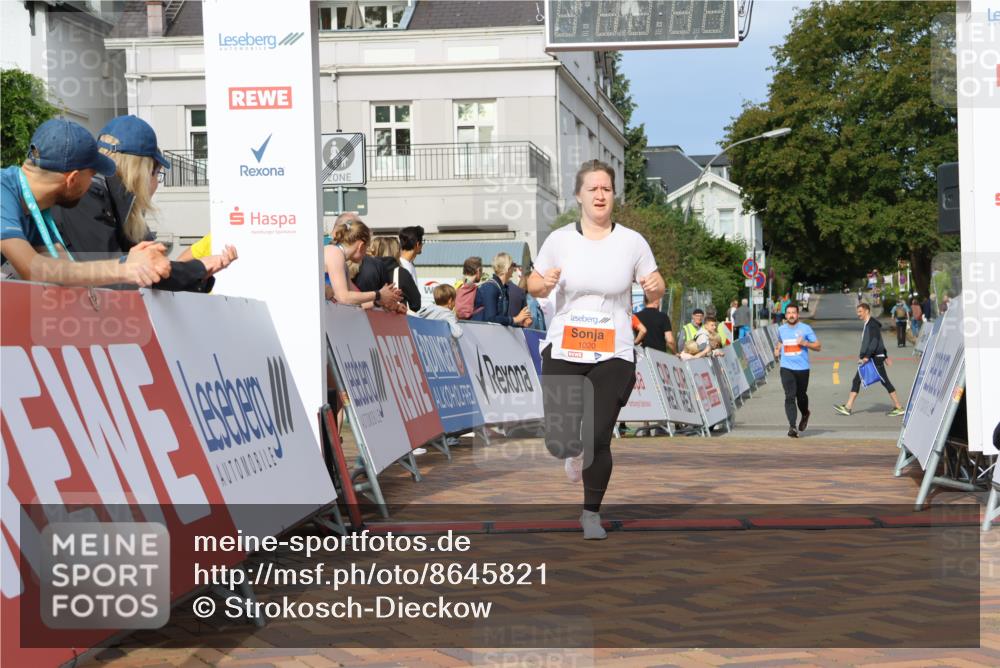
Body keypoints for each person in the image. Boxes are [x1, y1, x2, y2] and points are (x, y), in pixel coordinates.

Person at [527, 159, 665, 540]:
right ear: (579, 196)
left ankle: (591, 513)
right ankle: (571, 451)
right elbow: (534, 283)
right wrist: (542, 283)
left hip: (614, 351)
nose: (600, 195)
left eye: (606, 188)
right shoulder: (560, 240)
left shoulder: (632, 241)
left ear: (613, 195)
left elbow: (656, 286)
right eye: (593, 189)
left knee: (598, 436)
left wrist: (654, 287)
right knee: (561, 439)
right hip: (565, 345)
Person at [51, 115, 236, 292]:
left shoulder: (116, 206)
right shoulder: (86, 197)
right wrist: (198, 269)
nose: (156, 183)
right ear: (142, 170)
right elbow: (117, 278)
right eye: (157, 174)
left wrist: (199, 274)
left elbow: (152, 271)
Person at [1, 118, 170, 287]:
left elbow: (65, 269)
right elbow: (32, 269)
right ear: (72, 179)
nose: (94, 182)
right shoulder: (3, 192)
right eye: (92, 175)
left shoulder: (36, 210)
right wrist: (124, 269)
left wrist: (131, 263)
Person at [834, 303, 905, 417]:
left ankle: (899, 407)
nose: (858, 314)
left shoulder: (872, 325)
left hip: (874, 358)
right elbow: (879, 341)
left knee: (885, 381)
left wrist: (867, 356)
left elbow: (875, 342)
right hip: (873, 357)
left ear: (867, 311)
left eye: (860, 311)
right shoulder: (869, 324)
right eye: (858, 312)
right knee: (856, 380)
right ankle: (848, 407)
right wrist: (885, 356)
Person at [323, 215, 402, 309]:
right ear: (361, 246)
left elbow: (357, 302)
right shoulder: (335, 253)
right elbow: (343, 297)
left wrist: (381, 301)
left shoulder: (341, 261)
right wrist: (378, 294)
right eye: (367, 247)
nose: (366, 254)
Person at [773, 304, 821, 438]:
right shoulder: (781, 329)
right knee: (789, 396)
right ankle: (792, 426)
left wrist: (805, 343)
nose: (791, 315)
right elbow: (780, 342)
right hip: (786, 367)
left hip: (802, 368)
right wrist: (777, 349)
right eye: (788, 313)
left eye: (793, 313)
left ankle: (805, 413)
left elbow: (818, 346)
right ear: (785, 315)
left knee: (801, 396)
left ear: (798, 314)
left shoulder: (806, 329)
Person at [474, 252, 532, 327]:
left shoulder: (503, 288)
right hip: (480, 334)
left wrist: (519, 322)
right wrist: (515, 319)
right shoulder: (490, 288)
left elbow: (501, 318)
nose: (514, 268)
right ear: (507, 268)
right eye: (513, 265)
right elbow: (490, 318)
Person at [365, 236, 420, 312]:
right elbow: (416, 305)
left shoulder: (365, 270)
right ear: (396, 251)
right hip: (394, 319)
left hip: (367, 318)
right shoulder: (402, 273)